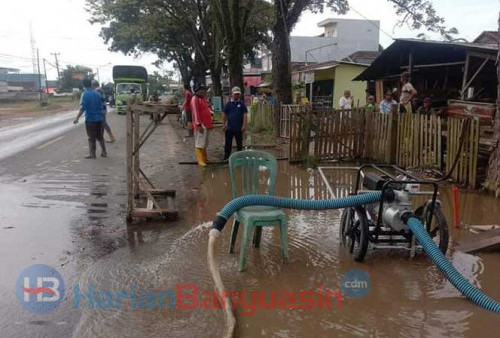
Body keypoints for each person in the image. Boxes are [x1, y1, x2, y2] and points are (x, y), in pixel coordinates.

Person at [73, 78, 107, 158]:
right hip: (99, 118)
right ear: (91, 85)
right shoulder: (97, 94)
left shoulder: (85, 94)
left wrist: (77, 118)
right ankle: (104, 152)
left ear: (84, 86)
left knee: (91, 137)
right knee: (100, 137)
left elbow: (83, 108)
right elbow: (102, 105)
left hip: (90, 119)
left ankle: (92, 154)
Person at [222, 86, 248, 161]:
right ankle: (226, 158)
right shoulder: (228, 104)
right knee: (228, 144)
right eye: (235, 94)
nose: (236, 95)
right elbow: (224, 114)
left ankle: (239, 158)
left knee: (239, 144)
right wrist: (223, 125)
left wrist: (244, 125)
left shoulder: (242, 104)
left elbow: (245, 115)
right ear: (232, 94)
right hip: (229, 128)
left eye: (238, 94)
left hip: (239, 128)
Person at [191, 83, 213, 166]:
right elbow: (196, 112)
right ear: (197, 90)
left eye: (204, 90)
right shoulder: (195, 99)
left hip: (206, 124)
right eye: (202, 90)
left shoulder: (203, 99)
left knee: (204, 143)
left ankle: (205, 158)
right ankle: (200, 160)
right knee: (199, 143)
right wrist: (198, 124)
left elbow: (206, 110)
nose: (204, 91)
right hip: (201, 124)